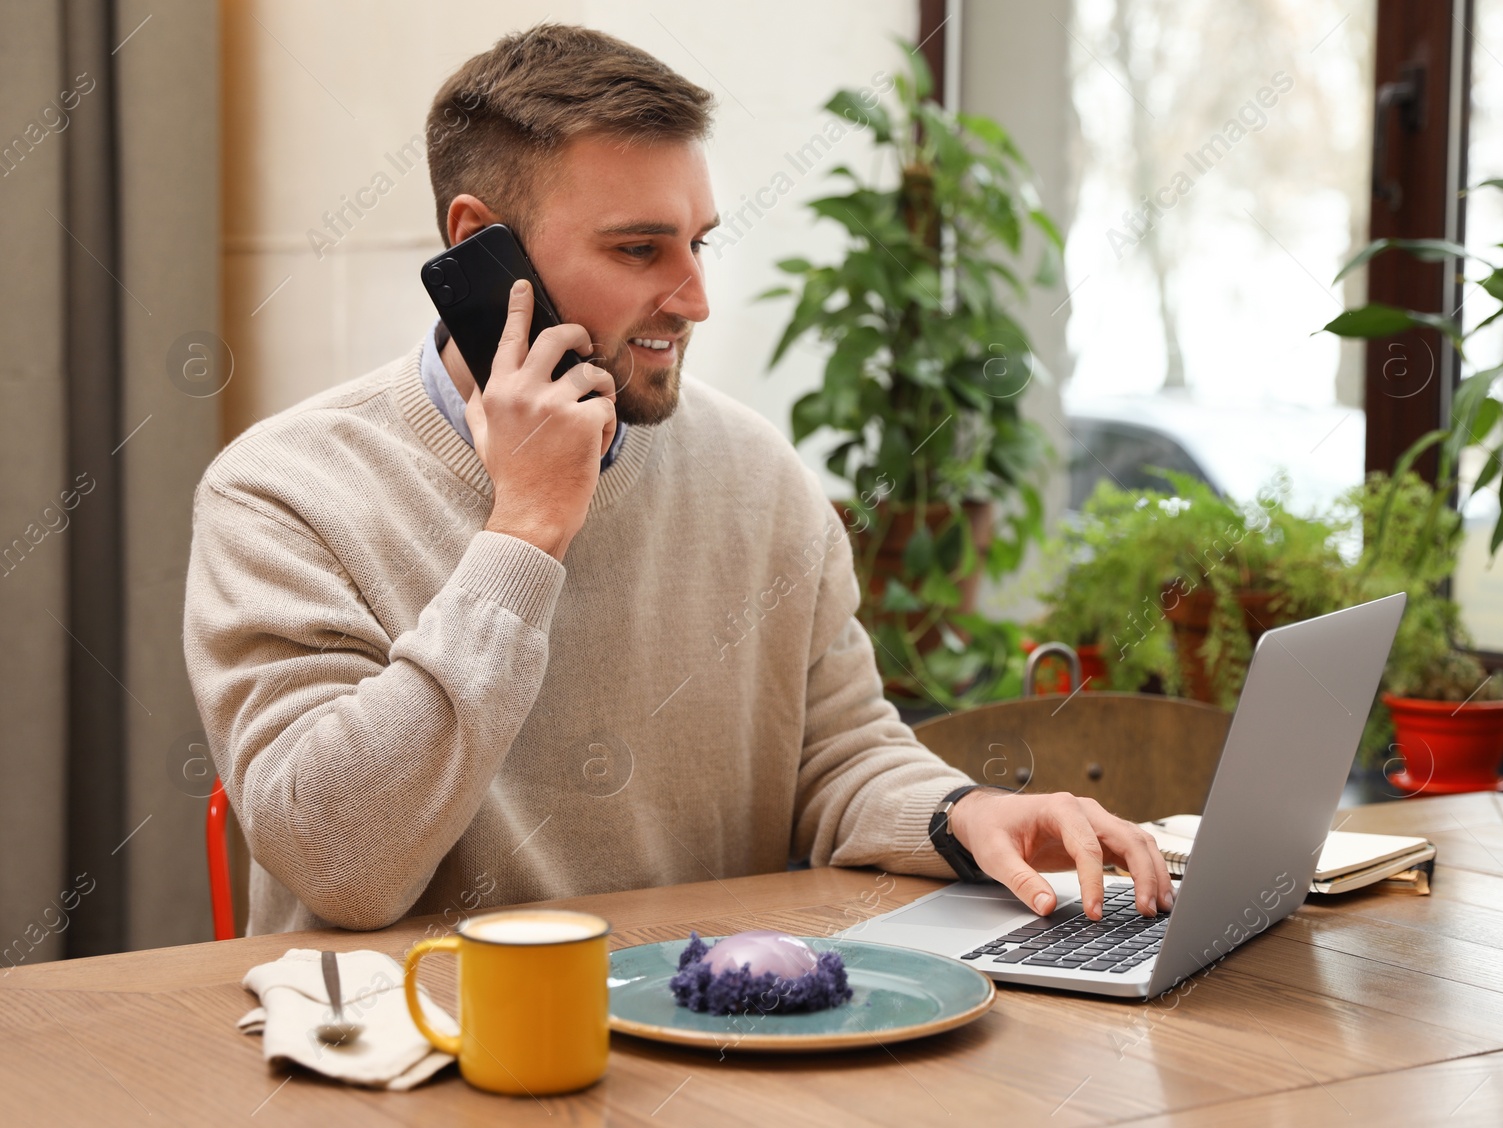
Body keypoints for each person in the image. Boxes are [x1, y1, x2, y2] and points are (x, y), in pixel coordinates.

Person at [183, 23, 1172, 936]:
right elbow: (340, 862)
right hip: (420, 1066)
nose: (694, 297)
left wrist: (968, 814)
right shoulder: (280, 494)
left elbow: (838, 758)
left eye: (695, 242)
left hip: (701, 1038)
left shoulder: (757, 478)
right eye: (638, 248)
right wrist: (525, 531)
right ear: (479, 243)